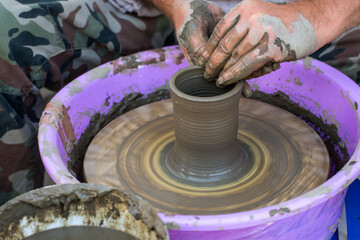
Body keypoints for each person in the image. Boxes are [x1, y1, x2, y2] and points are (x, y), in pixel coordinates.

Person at [0, 0, 359, 205]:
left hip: (316, 13)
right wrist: (177, 5)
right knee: (5, 32)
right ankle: (26, 217)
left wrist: (318, 16)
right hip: (163, 11)